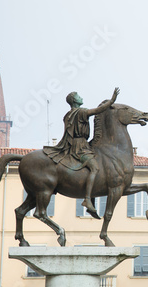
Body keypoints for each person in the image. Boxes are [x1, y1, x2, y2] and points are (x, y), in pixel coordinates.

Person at [43, 88, 119, 219]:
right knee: (95, 168)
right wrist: (112, 100)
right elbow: (97, 111)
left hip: (78, 145)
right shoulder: (81, 112)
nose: (81, 97)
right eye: (78, 96)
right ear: (74, 100)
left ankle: (92, 202)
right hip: (80, 148)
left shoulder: (68, 115)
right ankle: (88, 199)